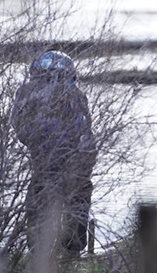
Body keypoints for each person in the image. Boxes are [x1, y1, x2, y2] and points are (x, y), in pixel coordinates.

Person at [9, 51, 96, 257]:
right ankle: (72, 249)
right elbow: (87, 129)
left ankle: (39, 250)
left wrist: (35, 145)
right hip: (78, 156)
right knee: (77, 197)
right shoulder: (76, 94)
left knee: (40, 197)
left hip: (46, 157)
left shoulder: (26, 92)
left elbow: (19, 126)